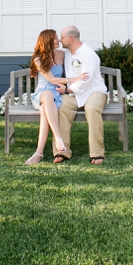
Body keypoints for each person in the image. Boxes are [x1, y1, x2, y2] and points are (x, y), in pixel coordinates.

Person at [25, 29, 90, 165]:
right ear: (47, 41)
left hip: (57, 94)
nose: (58, 40)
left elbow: (76, 56)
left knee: (44, 111)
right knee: (47, 96)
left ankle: (38, 153)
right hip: (42, 93)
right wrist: (74, 79)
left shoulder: (62, 54)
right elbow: (52, 79)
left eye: (58, 38)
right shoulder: (38, 58)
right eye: (55, 38)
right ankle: (59, 138)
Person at [54, 25, 108, 165]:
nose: (60, 40)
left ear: (71, 38)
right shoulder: (67, 54)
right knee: (61, 107)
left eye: (62, 37)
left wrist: (66, 90)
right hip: (75, 94)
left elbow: (87, 81)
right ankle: (61, 151)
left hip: (94, 91)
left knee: (91, 109)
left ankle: (97, 153)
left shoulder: (88, 54)